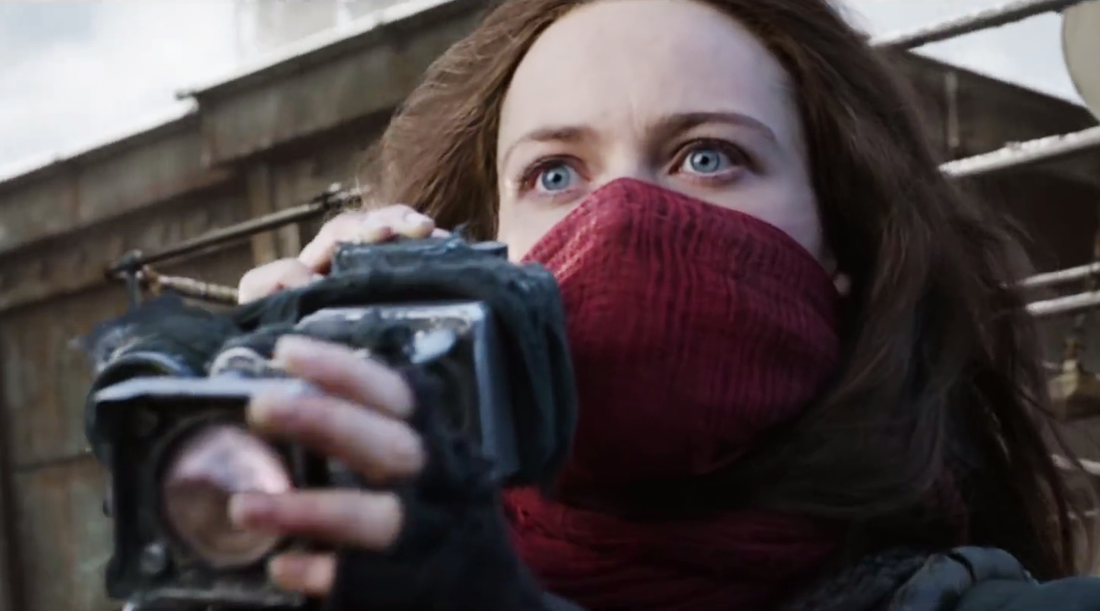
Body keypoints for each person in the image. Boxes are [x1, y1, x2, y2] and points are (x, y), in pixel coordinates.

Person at [232, 1, 1100, 609]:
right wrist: (258, 482)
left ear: (842, 236)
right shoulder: (364, 569)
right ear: (478, 243)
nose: (624, 215)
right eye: (555, 174)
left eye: (707, 156)